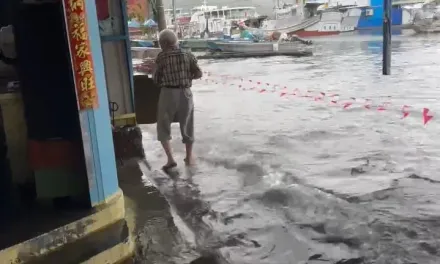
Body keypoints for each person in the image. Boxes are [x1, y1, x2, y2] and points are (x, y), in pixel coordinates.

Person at [153, 29, 203, 172]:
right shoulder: (188, 55)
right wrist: (187, 78)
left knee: (163, 125)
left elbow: (156, 80)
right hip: (186, 93)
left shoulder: (161, 57)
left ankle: (170, 159)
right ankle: (188, 157)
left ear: (164, 44)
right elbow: (198, 73)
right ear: (175, 41)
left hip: (168, 93)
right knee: (187, 125)